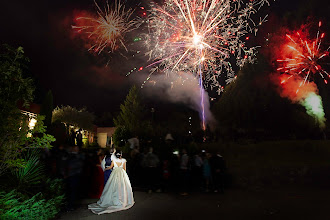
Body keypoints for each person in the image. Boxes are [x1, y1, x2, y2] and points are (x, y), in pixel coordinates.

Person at [88, 150, 134, 215]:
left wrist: (104, 169)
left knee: (112, 186)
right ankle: (122, 198)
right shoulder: (123, 160)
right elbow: (124, 169)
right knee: (121, 186)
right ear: (121, 155)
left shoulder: (114, 160)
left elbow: (110, 167)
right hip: (121, 173)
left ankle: (112, 199)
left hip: (114, 173)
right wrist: (125, 176)